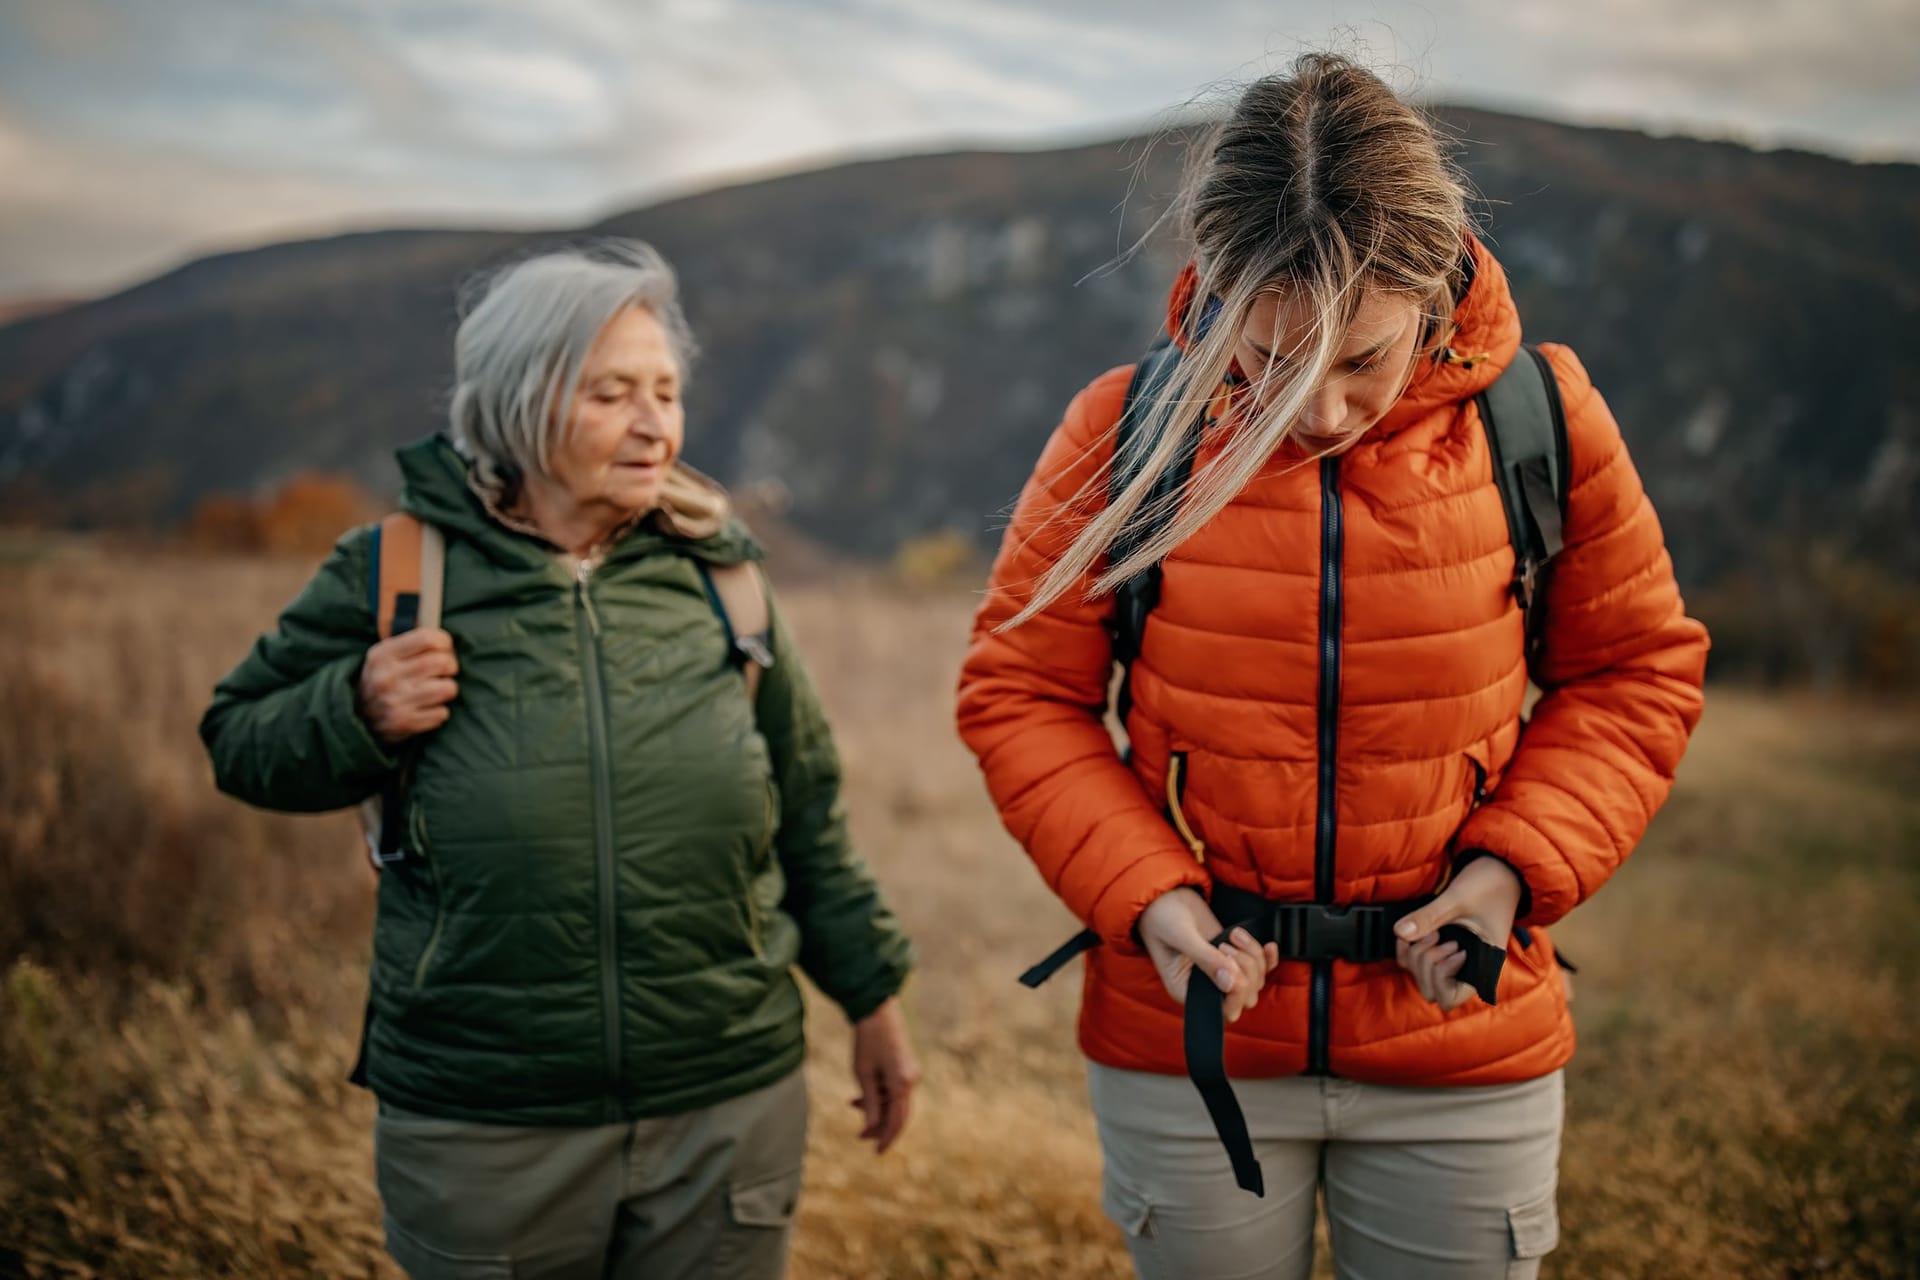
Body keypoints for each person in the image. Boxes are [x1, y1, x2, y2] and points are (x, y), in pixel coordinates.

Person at [956, 54, 1708, 1279]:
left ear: (1435, 285)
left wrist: (1509, 876)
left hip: (1460, 1043)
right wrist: (1153, 897)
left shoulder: (1545, 420)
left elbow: (1636, 672)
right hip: (1190, 1039)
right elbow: (1018, 689)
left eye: (1362, 357)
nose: (1317, 411)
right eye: (1266, 360)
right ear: (1214, 292)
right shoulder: (1126, 426)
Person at [200, 240, 918, 1280]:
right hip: (486, 1125)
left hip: (725, 1105)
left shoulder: (728, 583)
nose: (653, 421)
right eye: (611, 391)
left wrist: (874, 1002)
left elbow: (808, 815)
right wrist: (353, 707)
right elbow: (238, 738)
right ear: (519, 402)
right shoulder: (395, 572)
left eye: (666, 391)